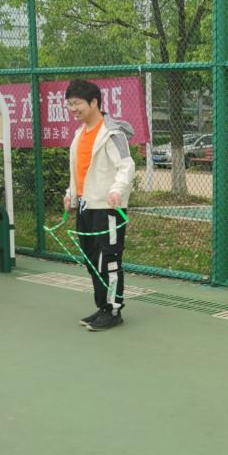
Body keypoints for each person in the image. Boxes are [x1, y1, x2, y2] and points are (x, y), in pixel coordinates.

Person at [63, 79, 135, 331]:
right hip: (86, 206)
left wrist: (116, 191)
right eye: (69, 104)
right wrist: (71, 194)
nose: (73, 109)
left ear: (94, 102)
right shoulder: (79, 134)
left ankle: (113, 310)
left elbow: (126, 166)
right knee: (92, 259)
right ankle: (103, 307)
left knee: (109, 259)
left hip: (108, 208)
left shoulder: (112, 133)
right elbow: (79, 171)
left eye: (77, 103)